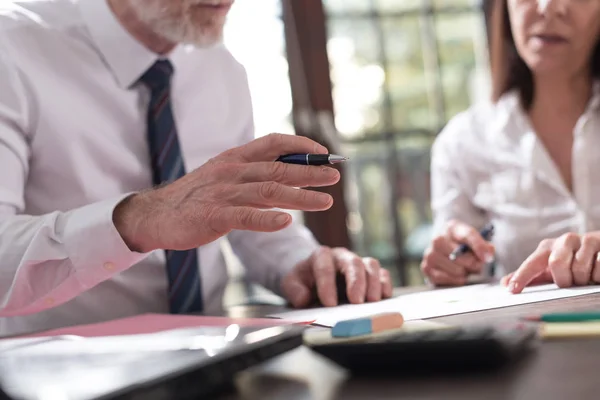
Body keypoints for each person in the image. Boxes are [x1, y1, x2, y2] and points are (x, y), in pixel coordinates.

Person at [0, 0, 393, 336]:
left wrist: (302, 264)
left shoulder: (221, 70)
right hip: (55, 374)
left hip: (211, 357)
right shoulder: (12, 48)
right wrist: (142, 219)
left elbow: (241, 219)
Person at [421, 0, 600, 289]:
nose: (548, 7)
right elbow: (453, 261)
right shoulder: (463, 143)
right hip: (528, 330)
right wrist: (449, 264)